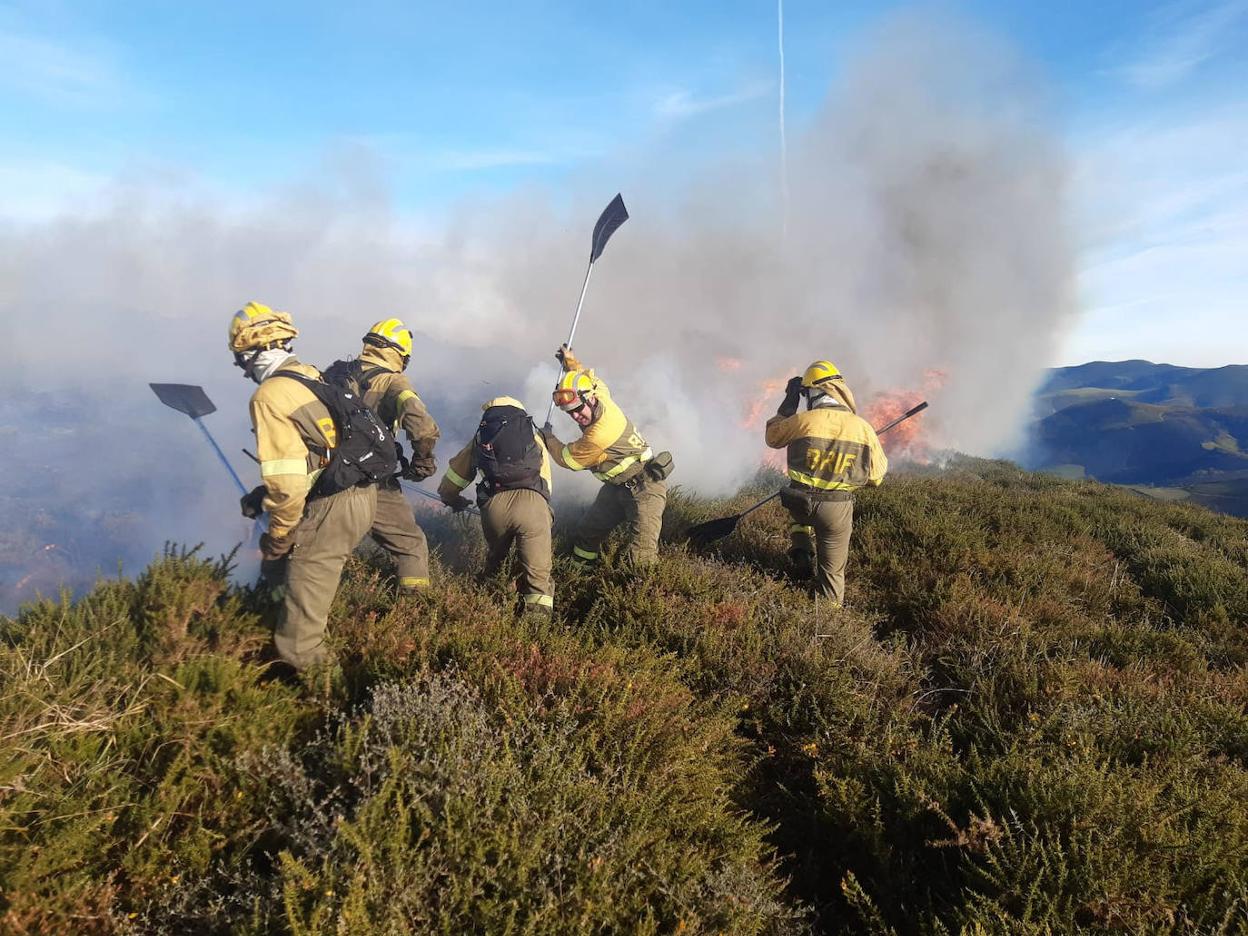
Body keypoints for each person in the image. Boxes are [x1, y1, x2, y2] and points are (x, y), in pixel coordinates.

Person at [230, 300, 378, 669]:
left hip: (331, 505)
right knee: (305, 596)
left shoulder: (270, 395)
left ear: (251, 353)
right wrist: (267, 498)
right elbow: (319, 453)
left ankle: (335, 714)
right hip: (360, 495)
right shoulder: (310, 375)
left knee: (299, 644)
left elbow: (289, 483)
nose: (243, 370)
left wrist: (278, 535)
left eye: (241, 360)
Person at [764, 360, 887, 605]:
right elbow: (876, 477)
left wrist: (789, 403)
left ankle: (801, 551)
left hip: (799, 502)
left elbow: (772, 437)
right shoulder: (863, 428)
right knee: (832, 574)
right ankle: (828, 624)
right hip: (836, 510)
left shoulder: (803, 421)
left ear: (810, 394)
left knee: (799, 514)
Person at [539, 344, 673, 567]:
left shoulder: (600, 433)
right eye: (570, 412)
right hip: (617, 487)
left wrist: (548, 437)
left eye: (578, 408)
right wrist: (569, 362)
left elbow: (566, 459)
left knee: (642, 556)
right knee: (587, 534)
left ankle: (642, 596)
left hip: (645, 488)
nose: (576, 416)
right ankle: (580, 575)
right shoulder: (598, 392)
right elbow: (585, 377)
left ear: (589, 400)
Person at [437, 397, 555, 616]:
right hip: (533, 506)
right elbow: (546, 481)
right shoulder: (534, 436)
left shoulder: (482, 437)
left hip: (495, 507)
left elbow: (455, 477)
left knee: (496, 564)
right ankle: (535, 632)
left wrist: (451, 499)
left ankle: (488, 612)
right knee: (538, 578)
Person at [350, 318, 441, 594]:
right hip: (373, 481)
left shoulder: (338, 375)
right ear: (400, 355)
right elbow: (420, 422)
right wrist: (423, 460)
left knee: (319, 550)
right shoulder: (392, 380)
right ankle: (413, 610)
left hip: (328, 475)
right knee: (411, 545)